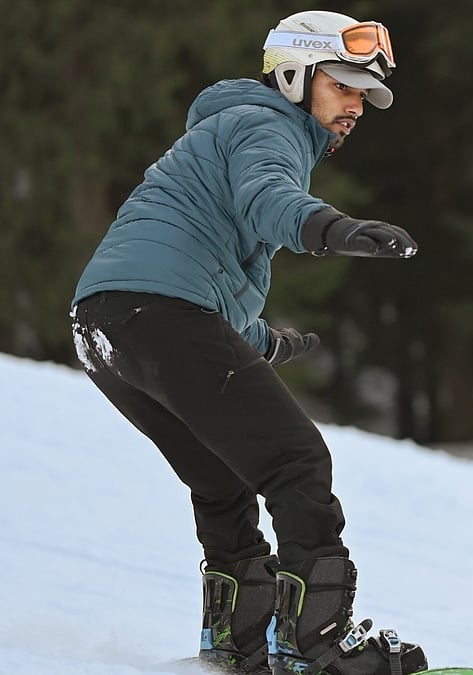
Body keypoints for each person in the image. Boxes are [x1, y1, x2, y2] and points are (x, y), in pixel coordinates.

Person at [70, 10, 428, 675]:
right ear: (295, 75)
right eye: (344, 86)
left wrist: (263, 341)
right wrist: (335, 229)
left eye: (363, 95)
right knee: (296, 461)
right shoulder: (267, 125)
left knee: (222, 475)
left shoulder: (226, 131)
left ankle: (239, 642)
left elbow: (193, 274)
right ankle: (316, 646)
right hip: (159, 315)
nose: (355, 107)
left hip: (106, 328)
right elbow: (269, 198)